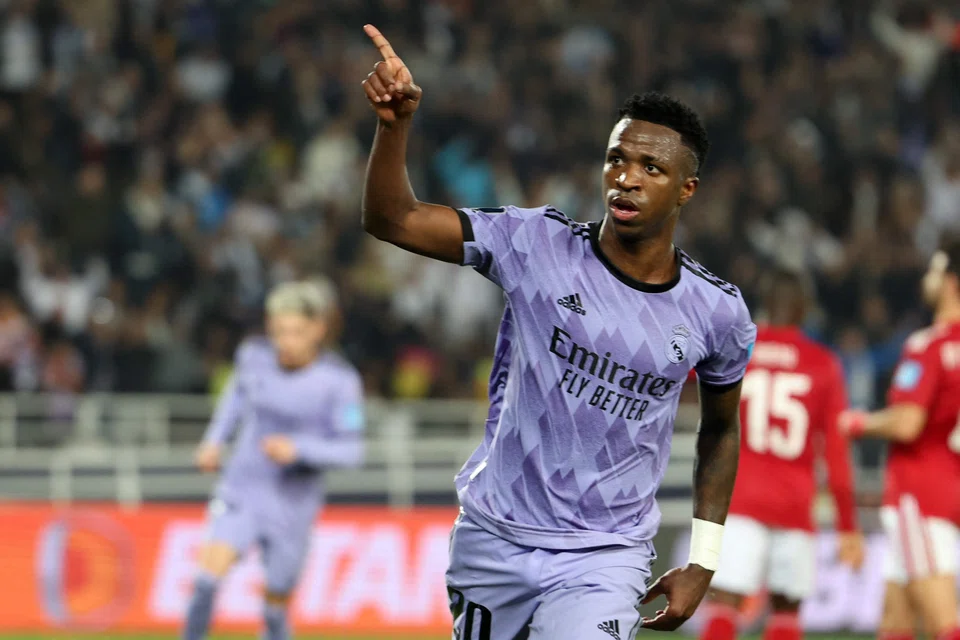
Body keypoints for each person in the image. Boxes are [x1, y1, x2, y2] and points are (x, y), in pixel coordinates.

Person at [360, 25, 756, 639]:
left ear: (686, 189)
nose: (626, 177)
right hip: (495, 536)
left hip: (605, 555)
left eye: (651, 167)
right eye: (616, 159)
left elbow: (722, 428)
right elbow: (393, 219)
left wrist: (704, 559)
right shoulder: (533, 243)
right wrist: (394, 127)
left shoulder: (716, 312)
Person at [181, 278, 365, 640]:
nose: (286, 341)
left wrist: (299, 449)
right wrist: (213, 442)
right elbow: (234, 400)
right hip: (244, 488)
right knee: (205, 580)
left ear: (318, 329)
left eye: (296, 331)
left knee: (274, 605)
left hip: (292, 505)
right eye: (279, 331)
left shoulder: (341, 382)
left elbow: (351, 450)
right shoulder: (253, 357)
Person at [699, 269, 865, 640]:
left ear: (765, 305)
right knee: (787, 611)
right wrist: (848, 526)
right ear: (805, 309)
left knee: (725, 603)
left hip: (739, 497)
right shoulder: (823, 363)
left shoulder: (738, 351)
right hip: (794, 502)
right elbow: (837, 453)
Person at [840, 239, 960, 640]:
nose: (929, 279)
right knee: (896, 619)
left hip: (920, 496)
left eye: (935, 271)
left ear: (950, 283)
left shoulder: (928, 345)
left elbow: (908, 423)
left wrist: (857, 422)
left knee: (946, 624)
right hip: (951, 489)